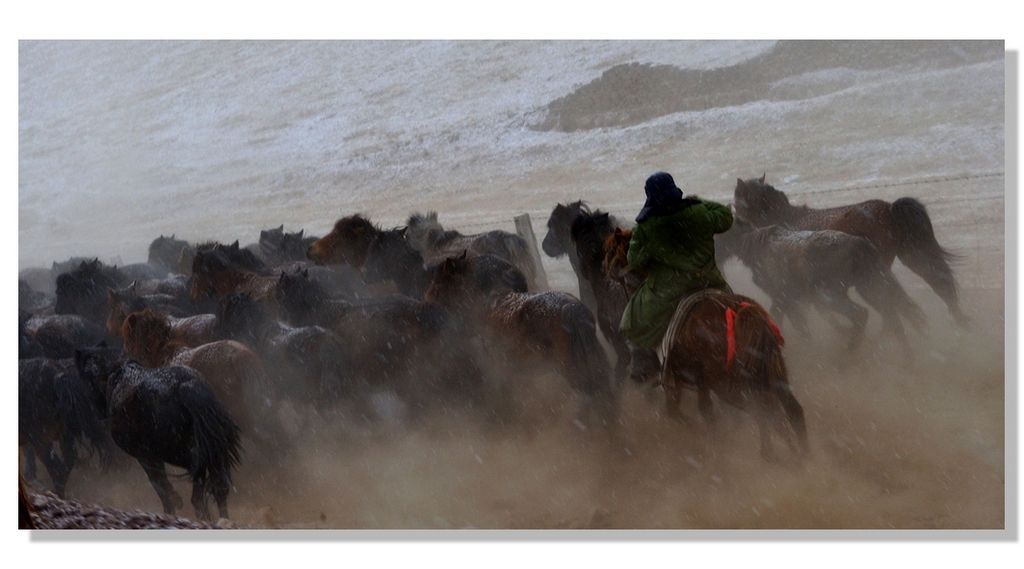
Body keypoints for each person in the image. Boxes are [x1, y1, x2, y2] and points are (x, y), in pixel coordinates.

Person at [619, 171, 734, 381]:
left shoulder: (647, 227)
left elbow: (634, 261)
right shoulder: (699, 212)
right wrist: (698, 202)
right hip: (710, 281)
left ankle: (645, 366)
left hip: (669, 291)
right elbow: (726, 218)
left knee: (632, 320)